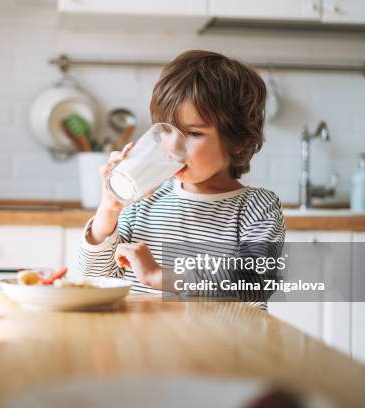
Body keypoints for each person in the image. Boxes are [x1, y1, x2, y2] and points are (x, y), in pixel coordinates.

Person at [78, 50, 285, 309]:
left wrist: (161, 276)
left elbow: (253, 285)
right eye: (165, 131)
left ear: (237, 141)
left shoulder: (257, 208)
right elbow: (94, 277)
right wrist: (108, 210)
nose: (172, 147)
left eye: (193, 133)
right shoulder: (143, 199)